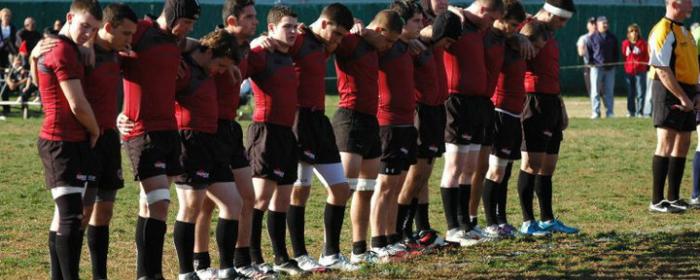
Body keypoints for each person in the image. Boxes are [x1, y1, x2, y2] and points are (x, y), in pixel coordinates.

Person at [273, 3, 356, 272]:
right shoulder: (298, 38)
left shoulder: (322, 44)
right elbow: (272, 47)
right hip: (299, 120)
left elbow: (332, 45)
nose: (339, 41)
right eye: (338, 34)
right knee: (300, 189)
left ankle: (330, 253)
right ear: (323, 24)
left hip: (320, 121)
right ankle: (299, 255)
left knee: (341, 188)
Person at [119, 0, 199, 278]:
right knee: (160, 202)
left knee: (149, 203)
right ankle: (152, 273)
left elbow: (194, 45)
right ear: (174, 15)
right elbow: (106, 50)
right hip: (142, 130)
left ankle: (145, 273)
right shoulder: (140, 31)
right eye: (186, 22)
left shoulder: (175, 41)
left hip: (168, 130)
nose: (188, 29)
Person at [190, 0, 269, 279]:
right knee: (207, 203)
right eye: (249, 17)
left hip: (232, 130)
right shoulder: (207, 48)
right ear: (232, 21)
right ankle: (201, 263)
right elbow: (177, 48)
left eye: (256, 17)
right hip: (208, 131)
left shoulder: (248, 50)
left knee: (248, 196)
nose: (254, 21)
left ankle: (241, 260)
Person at [33, 1, 102, 279]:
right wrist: (95, 129)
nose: (88, 33)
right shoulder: (60, 49)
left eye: (94, 29)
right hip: (59, 141)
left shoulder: (71, 47)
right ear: (69, 17)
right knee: (72, 216)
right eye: (84, 26)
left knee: (66, 216)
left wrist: (89, 44)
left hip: (73, 141)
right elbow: (77, 104)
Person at [331, 9, 403, 264]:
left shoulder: (374, 48)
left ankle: (359, 249)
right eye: (390, 40)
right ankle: (330, 251)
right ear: (380, 31)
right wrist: (355, 28)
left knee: (366, 189)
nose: (391, 46)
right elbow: (327, 41)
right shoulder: (351, 41)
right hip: (349, 119)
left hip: (371, 120)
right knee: (343, 189)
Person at [172, 29, 243, 280]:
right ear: (210, 53)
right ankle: (186, 273)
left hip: (212, 143)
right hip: (189, 141)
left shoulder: (207, 67)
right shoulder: (183, 67)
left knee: (233, 204)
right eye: (221, 65)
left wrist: (228, 66)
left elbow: (196, 45)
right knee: (191, 206)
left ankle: (227, 270)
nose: (221, 71)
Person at [246, 5, 305, 275]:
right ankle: (253, 257)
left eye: (295, 26)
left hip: (287, 133)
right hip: (265, 132)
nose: (293, 31)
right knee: (261, 198)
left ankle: (281, 257)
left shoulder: (289, 55)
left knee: (283, 198)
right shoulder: (260, 54)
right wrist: (254, 43)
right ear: (271, 29)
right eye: (287, 26)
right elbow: (233, 68)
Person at [80, 4, 138, 280]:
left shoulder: (119, 54)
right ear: (107, 27)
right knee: (80, 213)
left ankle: (99, 275)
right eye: (125, 33)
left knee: (104, 211)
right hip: (84, 140)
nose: (130, 39)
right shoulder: (82, 50)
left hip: (110, 140)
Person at [440, 0, 503, 246]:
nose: (491, 25)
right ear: (483, 11)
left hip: (477, 104)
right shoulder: (456, 22)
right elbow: (427, 29)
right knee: (455, 165)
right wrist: (452, 11)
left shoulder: (479, 28)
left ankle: (465, 223)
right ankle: (452, 228)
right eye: (491, 19)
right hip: (456, 102)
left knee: (470, 166)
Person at [396, 5, 458, 250]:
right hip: (421, 112)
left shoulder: (432, 45)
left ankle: (419, 230)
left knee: (423, 177)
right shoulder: (417, 45)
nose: (449, 47)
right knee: (414, 176)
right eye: (448, 41)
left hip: (436, 112)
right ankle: (400, 232)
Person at [518, 0, 579, 236]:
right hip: (533, 102)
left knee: (548, 167)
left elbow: (551, 72)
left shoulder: (549, 34)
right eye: (561, 19)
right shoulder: (527, 29)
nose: (563, 25)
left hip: (552, 102)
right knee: (531, 164)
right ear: (550, 13)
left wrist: (561, 105)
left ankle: (547, 219)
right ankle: (527, 221)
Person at [369, 0, 423, 261]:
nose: (421, 25)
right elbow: (367, 33)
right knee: (386, 185)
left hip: (406, 123)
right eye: (415, 21)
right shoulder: (383, 45)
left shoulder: (406, 46)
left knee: (398, 183)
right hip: (387, 124)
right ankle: (377, 240)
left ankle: (391, 237)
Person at [480, 0, 526, 239]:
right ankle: (490, 222)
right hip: (499, 110)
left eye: (517, 26)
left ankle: (502, 218)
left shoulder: (511, 39)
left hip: (514, 112)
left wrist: (520, 37)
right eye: (511, 24)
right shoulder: (488, 37)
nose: (514, 29)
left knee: (506, 171)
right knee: (496, 170)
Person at [647, 0, 697, 213]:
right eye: (688, 2)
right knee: (665, 142)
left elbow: (694, 64)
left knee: (683, 141)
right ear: (675, 3)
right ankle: (657, 200)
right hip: (669, 90)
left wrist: (696, 92)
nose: (692, 5)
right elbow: (661, 69)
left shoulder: (685, 31)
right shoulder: (663, 30)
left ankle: (674, 197)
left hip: (688, 90)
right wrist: (681, 97)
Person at [587, 16, 619, 119]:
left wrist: (614, 64)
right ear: (597, 25)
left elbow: (615, 52)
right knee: (595, 91)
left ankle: (610, 113)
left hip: (610, 69)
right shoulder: (592, 37)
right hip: (596, 68)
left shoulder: (612, 37)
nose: (605, 25)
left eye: (606, 23)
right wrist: (591, 62)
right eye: (603, 23)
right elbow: (589, 51)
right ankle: (595, 112)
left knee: (609, 91)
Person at [621, 23, 649, 117]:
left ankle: (640, 112)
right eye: (632, 31)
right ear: (628, 33)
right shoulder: (625, 44)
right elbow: (624, 57)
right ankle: (631, 111)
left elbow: (646, 57)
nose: (634, 33)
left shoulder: (643, 43)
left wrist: (642, 65)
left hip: (640, 71)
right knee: (630, 93)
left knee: (640, 92)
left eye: (636, 31)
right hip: (629, 71)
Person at [576, 17, 595, 97]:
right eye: (592, 23)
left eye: (595, 23)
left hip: (600, 66)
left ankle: (607, 107)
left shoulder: (602, 38)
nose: (594, 25)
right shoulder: (584, 38)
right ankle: (595, 108)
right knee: (590, 88)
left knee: (602, 88)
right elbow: (581, 53)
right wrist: (583, 48)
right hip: (588, 65)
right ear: (588, 25)